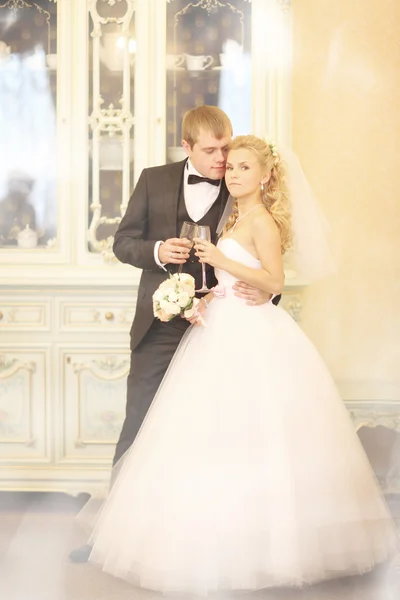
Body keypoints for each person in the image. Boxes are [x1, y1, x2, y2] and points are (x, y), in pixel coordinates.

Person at [86, 135, 398, 594]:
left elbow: (274, 280)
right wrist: (208, 296)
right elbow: (236, 279)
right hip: (222, 325)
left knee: (256, 433)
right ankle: (211, 537)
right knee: (210, 436)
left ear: (266, 175)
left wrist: (215, 259)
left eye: (243, 168)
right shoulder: (237, 216)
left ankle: (263, 546)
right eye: (230, 167)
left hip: (252, 334)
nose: (232, 174)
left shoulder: (263, 221)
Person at [69, 106, 274, 563]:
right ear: (186, 147)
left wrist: (268, 297)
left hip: (224, 325)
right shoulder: (153, 178)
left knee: (219, 429)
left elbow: (268, 249)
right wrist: (159, 250)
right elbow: (122, 242)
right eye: (211, 151)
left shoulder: (242, 181)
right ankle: (107, 536)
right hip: (161, 322)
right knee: (139, 425)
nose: (222, 160)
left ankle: (205, 538)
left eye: (226, 148)